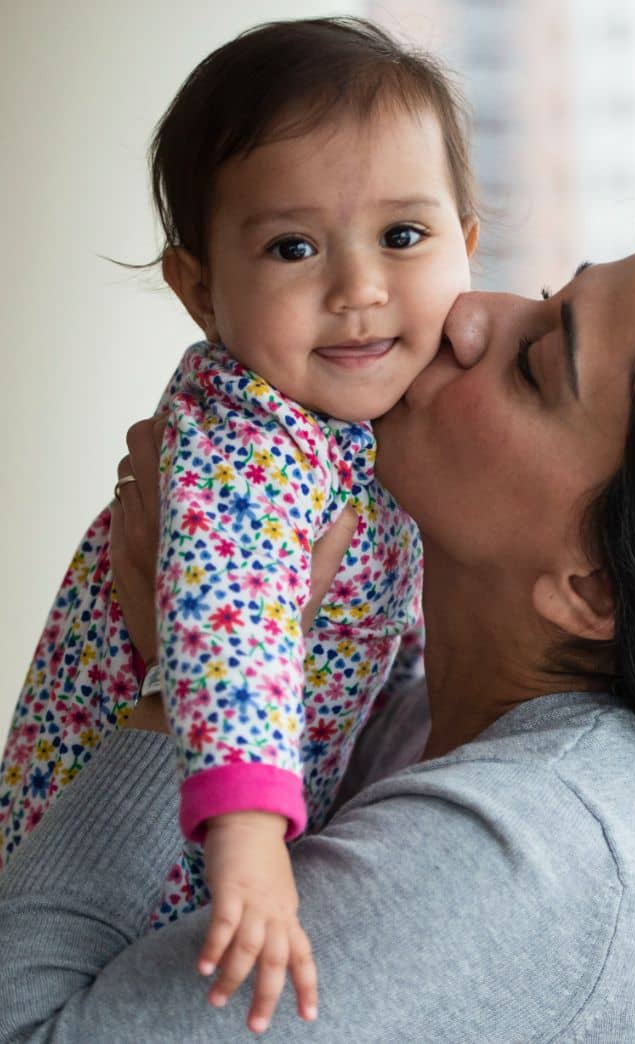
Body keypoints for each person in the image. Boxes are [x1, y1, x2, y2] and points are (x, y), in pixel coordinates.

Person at [0, 240, 635, 1040]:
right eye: (543, 299)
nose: (466, 316)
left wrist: (190, 689)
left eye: (536, 362)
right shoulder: (409, 705)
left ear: (595, 588)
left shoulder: (532, 854)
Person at [0, 17, 479, 1027]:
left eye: (403, 236)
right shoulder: (249, 432)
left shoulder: (385, 420)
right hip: (148, 843)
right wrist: (251, 837)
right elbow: (236, 621)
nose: (358, 290)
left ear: (466, 248)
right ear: (201, 289)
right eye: (293, 247)